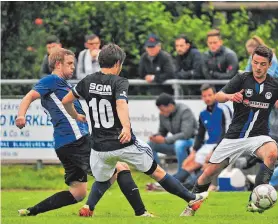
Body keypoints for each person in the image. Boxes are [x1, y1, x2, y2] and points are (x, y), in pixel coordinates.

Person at [62, 43, 208, 216]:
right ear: (117, 63)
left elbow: (66, 101)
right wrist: (125, 127)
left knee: (106, 177)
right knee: (157, 172)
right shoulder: (119, 81)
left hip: (99, 147)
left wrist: (76, 115)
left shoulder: (87, 81)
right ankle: (191, 198)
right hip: (122, 142)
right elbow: (121, 103)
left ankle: (89, 207)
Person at [180, 45, 278, 216]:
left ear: (269, 65)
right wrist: (231, 96)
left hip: (258, 136)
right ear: (251, 61)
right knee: (207, 175)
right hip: (234, 138)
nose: (258, 67)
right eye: (255, 63)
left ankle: (255, 202)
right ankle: (190, 207)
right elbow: (218, 96)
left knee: (271, 153)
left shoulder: (275, 84)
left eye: (262, 64)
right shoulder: (242, 78)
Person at [16, 48, 152, 217]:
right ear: (58, 64)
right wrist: (21, 115)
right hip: (76, 139)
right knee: (120, 168)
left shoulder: (64, 84)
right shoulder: (51, 80)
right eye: (70, 64)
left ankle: (31, 211)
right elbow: (29, 96)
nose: (73, 67)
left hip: (64, 144)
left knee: (78, 192)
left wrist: (78, 115)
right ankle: (141, 213)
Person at [173, 84, 232, 185]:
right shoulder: (202, 113)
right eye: (204, 96)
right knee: (188, 164)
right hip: (208, 145)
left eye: (209, 95)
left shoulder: (224, 109)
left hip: (224, 145)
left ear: (215, 95)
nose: (207, 98)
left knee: (207, 165)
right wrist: (193, 152)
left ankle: (188, 186)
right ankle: (167, 184)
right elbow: (200, 135)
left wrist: (215, 151)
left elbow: (228, 132)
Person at [148, 93, 197, 174]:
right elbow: (162, 132)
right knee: (150, 144)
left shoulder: (185, 111)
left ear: (170, 105)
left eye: (162, 109)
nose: (161, 112)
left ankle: (182, 176)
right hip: (175, 143)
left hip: (192, 142)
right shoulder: (163, 114)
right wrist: (156, 137)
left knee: (179, 144)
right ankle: (161, 174)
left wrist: (165, 140)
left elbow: (186, 134)